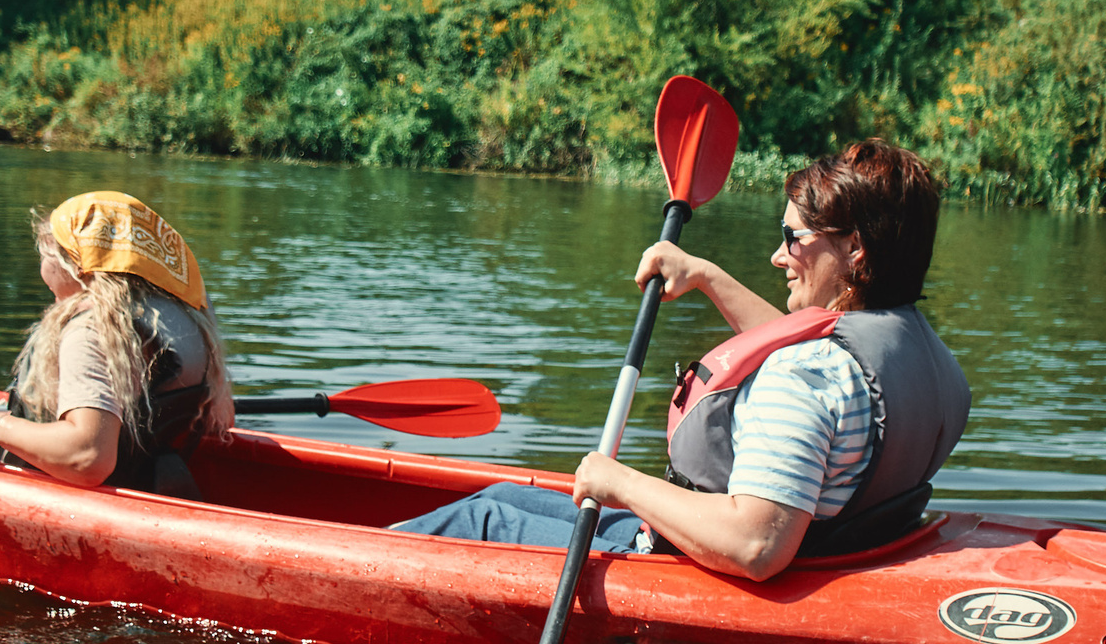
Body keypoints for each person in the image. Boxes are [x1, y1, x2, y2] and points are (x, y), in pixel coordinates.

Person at [395, 138, 970, 581]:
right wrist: (706, 277)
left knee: (480, 523)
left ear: (855, 248)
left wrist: (619, 481)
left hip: (693, 572)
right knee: (503, 498)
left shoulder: (807, 378)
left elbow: (756, 546)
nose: (778, 255)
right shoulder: (926, 359)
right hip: (834, 550)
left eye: (794, 238)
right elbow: (817, 360)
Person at [0, 192, 233, 495]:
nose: (42, 271)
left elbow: (88, 457)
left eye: (44, 256)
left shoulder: (93, 330)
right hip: (148, 482)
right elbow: (223, 419)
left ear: (78, 263)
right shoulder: (188, 316)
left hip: (73, 496)